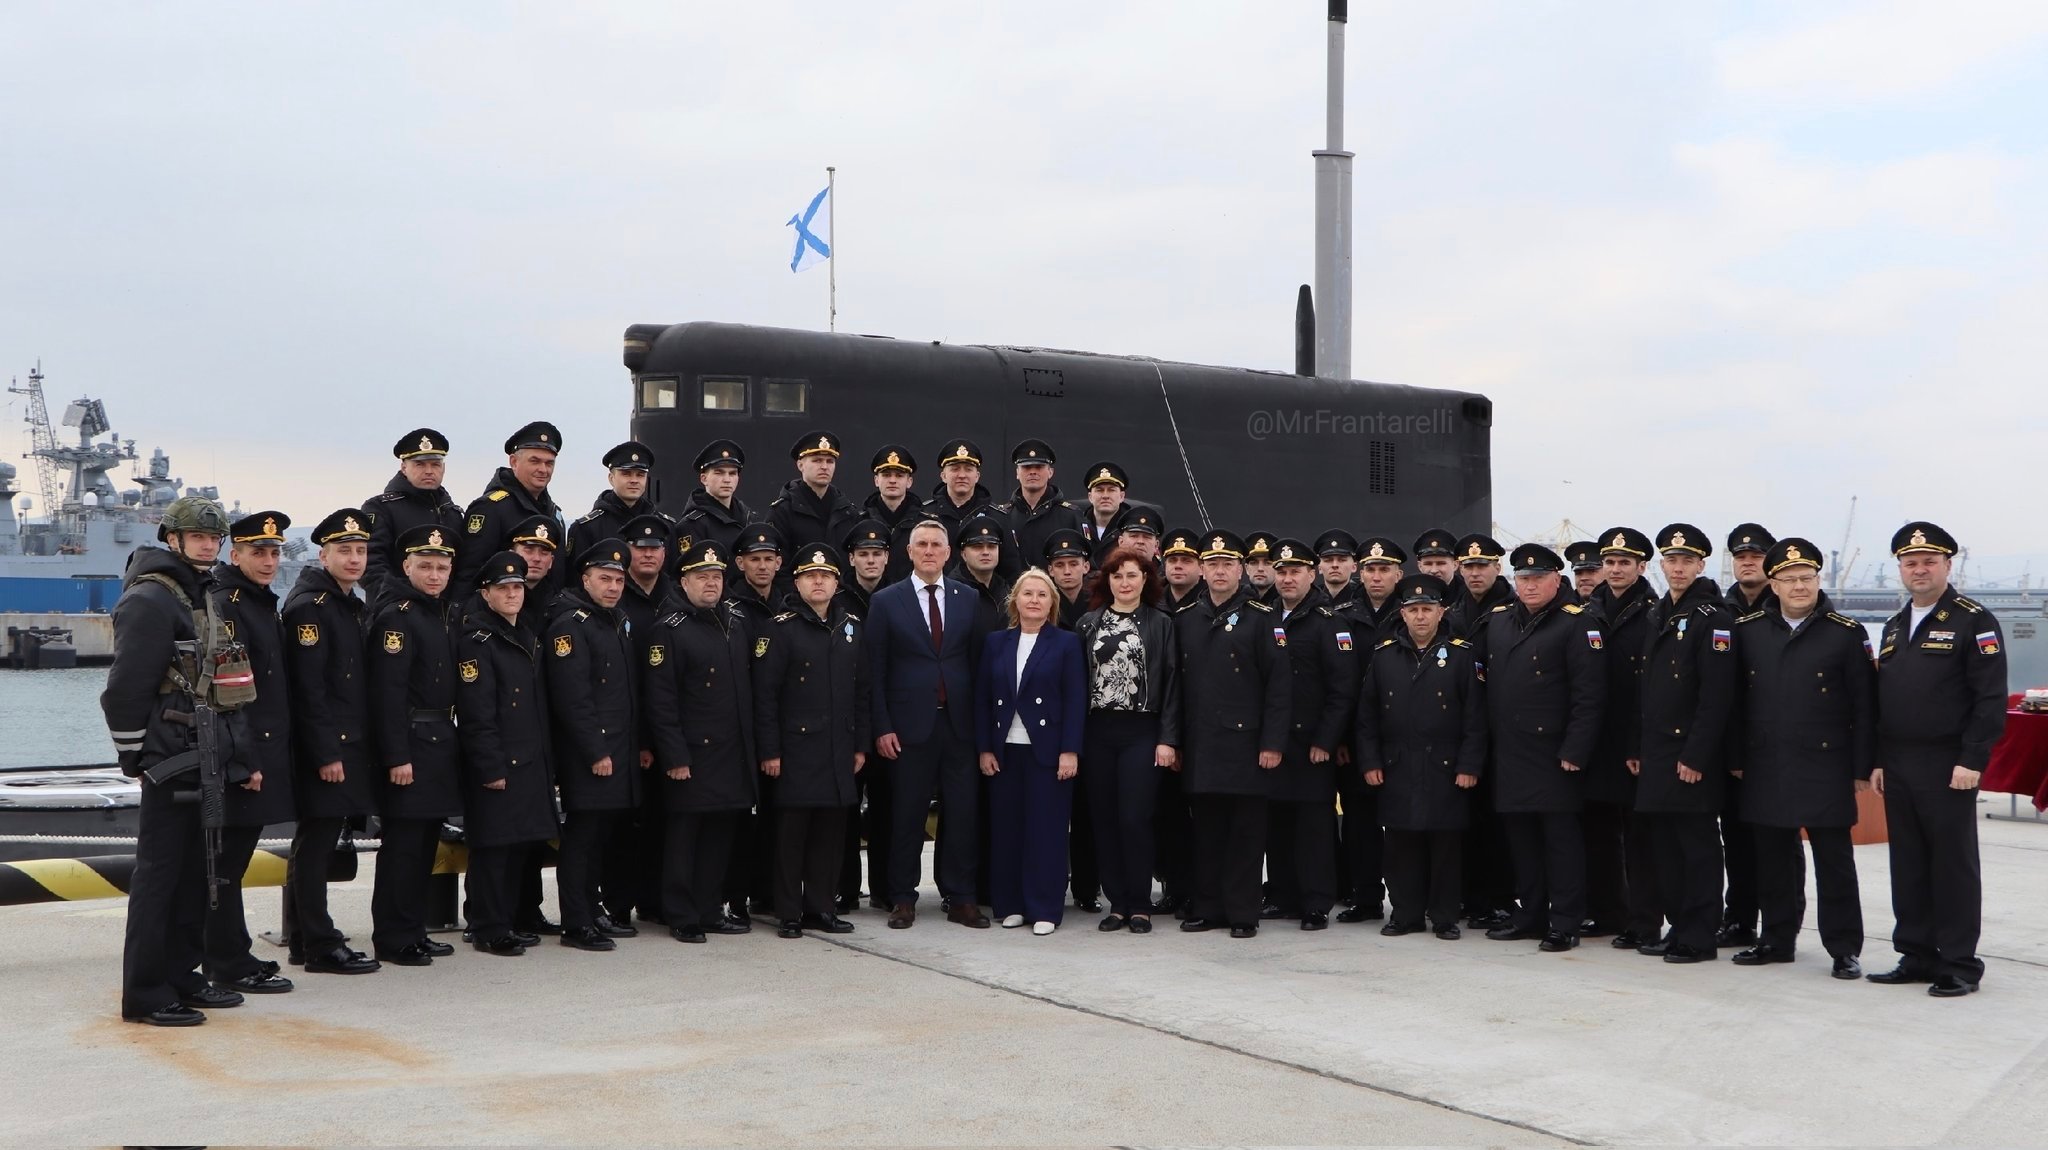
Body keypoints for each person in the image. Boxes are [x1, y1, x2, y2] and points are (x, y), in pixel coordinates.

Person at [105, 496, 248, 1025]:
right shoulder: (150, 599)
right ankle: (145, 992)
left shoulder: (204, 593)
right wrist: (134, 755)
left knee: (200, 871)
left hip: (206, 749)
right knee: (159, 878)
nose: (210, 545)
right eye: (199, 537)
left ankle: (185, 975)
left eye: (215, 537)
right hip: (171, 755)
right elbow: (124, 689)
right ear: (174, 539)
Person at [1868, 521, 2005, 997]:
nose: (1919, 569)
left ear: (1948, 565)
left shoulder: (1973, 620)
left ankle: (1959, 964)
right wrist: (1881, 757)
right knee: (1908, 862)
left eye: (1929, 561)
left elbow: (1989, 698)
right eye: (1910, 563)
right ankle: (1917, 954)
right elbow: (1887, 699)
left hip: (1949, 763)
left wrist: (1972, 759)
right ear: (1900, 570)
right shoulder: (1893, 625)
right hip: (1900, 761)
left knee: (1952, 863)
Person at [1728, 537, 1872, 980]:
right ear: (1772, 584)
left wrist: (1861, 769)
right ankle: (1776, 938)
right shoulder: (1748, 631)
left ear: (1817, 580)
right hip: (1766, 762)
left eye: (1806, 578)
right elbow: (1732, 702)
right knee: (1772, 859)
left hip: (1826, 765)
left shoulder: (1846, 633)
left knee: (1835, 862)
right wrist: (1735, 757)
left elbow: (1865, 707)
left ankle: (1844, 948)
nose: (1798, 587)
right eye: (1788, 579)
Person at [1474, 543, 1604, 953]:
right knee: (1521, 841)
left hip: (1554, 754)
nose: (1529, 586)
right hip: (1510, 752)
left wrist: (1575, 750)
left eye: (1537, 578)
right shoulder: (1498, 622)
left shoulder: (1577, 623)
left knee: (1560, 842)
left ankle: (1564, 921)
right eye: (1522, 579)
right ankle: (1529, 914)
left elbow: (1590, 696)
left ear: (1556, 580)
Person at [867, 518, 987, 928]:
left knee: (962, 813)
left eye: (938, 544)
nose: (930, 551)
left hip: (958, 726)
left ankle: (961, 897)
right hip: (907, 727)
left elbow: (976, 665)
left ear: (949, 552)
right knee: (907, 814)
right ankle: (903, 897)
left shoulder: (968, 598)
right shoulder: (886, 601)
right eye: (923, 545)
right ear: (910, 552)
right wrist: (882, 727)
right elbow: (875, 671)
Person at [1356, 575, 1487, 940]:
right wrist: (1370, 762)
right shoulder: (1384, 656)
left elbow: (1476, 718)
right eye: (1413, 610)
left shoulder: (1462, 655)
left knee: (1445, 846)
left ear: (1441, 611)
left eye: (1427, 609)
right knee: (1401, 846)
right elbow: (1366, 718)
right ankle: (1405, 913)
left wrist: (1468, 766)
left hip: (1446, 767)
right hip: (1397, 764)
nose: (1421, 617)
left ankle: (1444, 916)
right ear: (1402, 613)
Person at [282, 509, 382, 975]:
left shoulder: (348, 603)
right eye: (344, 550)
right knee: (316, 844)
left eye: (361, 550)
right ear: (323, 554)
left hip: (346, 745)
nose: (355, 558)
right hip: (328, 749)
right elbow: (310, 689)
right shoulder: (310, 607)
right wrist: (327, 754)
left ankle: (305, 941)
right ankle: (320, 942)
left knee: (316, 843)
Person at [1177, 531, 1290, 938]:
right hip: (1203, 745)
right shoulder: (1187, 619)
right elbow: (1177, 689)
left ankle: (1243, 913)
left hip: (1247, 747)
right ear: (1202, 570)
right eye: (1213, 564)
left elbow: (1279, 687)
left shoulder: (1262, 618)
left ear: (1240, 569)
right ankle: (1209, 908)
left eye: (1228, 564)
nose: (1220, 571)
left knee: (1245, 836)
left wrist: (1273, 744)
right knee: (1207, 834)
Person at [645, 540, 760, 943]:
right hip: (691, 756)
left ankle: (710, 909)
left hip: (732, 753)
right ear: (684, 581)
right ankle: (681, 914)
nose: (710, 584)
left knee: (719, 837)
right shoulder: (670, 628)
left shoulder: (735, 620)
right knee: (684, 839)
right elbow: (661, 702)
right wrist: (674, 756)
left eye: (716, 576)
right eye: (701, 577)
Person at [753, 544, 870, 937]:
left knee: (830, 836)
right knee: (791, 837)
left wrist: (860, 745)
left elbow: (862, 691)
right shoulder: (780, 628)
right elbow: (764, 696)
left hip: (838, 748)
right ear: (798, 582)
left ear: (837, 583)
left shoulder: (851, 625)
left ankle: (821, 907)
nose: (818, 582)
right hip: (795, 751)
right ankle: (789, 912)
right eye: (810, 576)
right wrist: (769, 751)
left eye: (826, 576)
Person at [1632, 524, 1736, 964]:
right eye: (1671, 561)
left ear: (1701, 565)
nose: (1677, 568)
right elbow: (1648, 691)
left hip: (1688, 757)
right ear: (1661, 565)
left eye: (1686, 561)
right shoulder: (1660, 612)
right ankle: (1679, 927)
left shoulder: (1715, 618)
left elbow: (1717, 696)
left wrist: (1696, 755)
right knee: (1666, 849)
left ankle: (1699, 933)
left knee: (1697, 849)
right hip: (1657, 755)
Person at [206, 511, 297, 996]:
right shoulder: (229, 605)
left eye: (274, 552)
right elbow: (230, 692)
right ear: (234, 554)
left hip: (261, 754)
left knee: (231, 865)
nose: (268, 561)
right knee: (224, 866)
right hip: (243, 760)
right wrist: (244, 762)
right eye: (257, 552)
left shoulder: (261, 603)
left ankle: (230, 951)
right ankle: (225, 961)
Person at [365, 523, 464, 967]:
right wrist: (397, 757)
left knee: (425, 844)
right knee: (403, 848)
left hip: (439, 742)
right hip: (412, 744)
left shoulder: (438, 612)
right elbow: (387, 694)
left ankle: (413, 928)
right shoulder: (398, 617)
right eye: (425, 565)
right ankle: (392, 935)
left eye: (442, 567)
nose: (435, 574)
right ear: (407, 567)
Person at [454, 551, 560, 956]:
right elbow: (478, 712)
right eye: (504, 588)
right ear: (486, 593)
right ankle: (487, 926)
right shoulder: (478, 641)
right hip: (499, 763)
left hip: (529, 760)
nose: (513, 594)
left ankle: (510, 919)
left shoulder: (524, 633)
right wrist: (490, 765)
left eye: (517, 587)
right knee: (493, 849)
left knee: (518, 847)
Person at [1075, 547, 1181, 933]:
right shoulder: (1088, 624)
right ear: (1108, 581)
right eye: (1118, 576)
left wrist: (1167, 739)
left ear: (1145, 581)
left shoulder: (1161, 623)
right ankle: (1116, 903)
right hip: (1097, 731)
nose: (1124, 582)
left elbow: (1171, 684)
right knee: (1103, 819)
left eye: (1132, 575)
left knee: (1135, 818)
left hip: (1142, 731)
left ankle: (1140, 902)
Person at [544, 539, 643, 952]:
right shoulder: (571, 625)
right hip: (591, 755)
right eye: (605, 578)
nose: (614, 586)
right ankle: (576, 923)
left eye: (619, 579)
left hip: (619, 750)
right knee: (582, 840)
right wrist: (595, 752)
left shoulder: (614, 620)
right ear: (585, 579)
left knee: (601, 838)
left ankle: (591, 908)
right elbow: (573, 698)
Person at [976, 569, 1086, 934]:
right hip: (1006, 750)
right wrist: (985, 748)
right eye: (1028, 594)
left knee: (1047, 832)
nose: (1034, 600)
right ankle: (1011, 904)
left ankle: (1045, 908)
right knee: (1008, 830)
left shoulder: (1066, 643)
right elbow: (983, 700)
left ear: (1051, 603)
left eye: (1042, 594)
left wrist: (1070, 751)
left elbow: (1074, 700)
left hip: (1048, 753)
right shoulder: (996, 642)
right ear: (1016, 601)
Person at [1264, 538, 1356, 930]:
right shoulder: (1264, 616)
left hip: (1311, 744)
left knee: (1314, 827)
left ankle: (1316, 902)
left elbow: (1343, 689)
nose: (1286, 578)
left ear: (1311, 573)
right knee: (1277, 824)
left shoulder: (1328, 623)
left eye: (1294, 571)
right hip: (1274, 742)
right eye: (1281, 571)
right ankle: (1282, 895)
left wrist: (1326, 740)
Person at [1584, 527, 1660, 949]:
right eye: (1609, 562)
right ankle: (1607, 912)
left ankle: (1644, 920)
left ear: (1641, 567)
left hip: (1634, 741)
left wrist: (1640, 742)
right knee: (1597, 834)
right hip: (1594, 740)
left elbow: (1653, 686)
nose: (1614, 569)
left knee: (1640, 838)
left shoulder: (1653, 612)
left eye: (1624, 563)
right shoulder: (1587, 610)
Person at [614, 513, 680, 924]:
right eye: (640, 548)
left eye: (655, 548)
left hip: (669, 730)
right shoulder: (616, 599)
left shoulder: (675, 596)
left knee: (663, 822)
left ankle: (655, 900)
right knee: (624, 825)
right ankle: (619, 904)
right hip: (627, 727)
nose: (649, 554)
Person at [1716, 522, 1776, 947]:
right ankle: (1738, 919)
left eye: (1755, 556)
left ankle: (1779, 925)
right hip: (1731, 745)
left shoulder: (1787, 606)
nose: (1748, 562)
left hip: (1774, 744)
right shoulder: (1722, 610)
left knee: (1778, 842)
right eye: (1740, 557)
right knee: (1734, 837)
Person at [836, 519, 894, 910]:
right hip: (848, 720)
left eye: (877, 554)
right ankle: (846, 889)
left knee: (888, 810)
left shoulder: (898, 599)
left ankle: (886, 889)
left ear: (887, 558)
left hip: (888, 719)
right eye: (864, 554)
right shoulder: (837, 601)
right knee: (845, 813)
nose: (871, 560)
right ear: (852, 559)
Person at [1041, 527, 1100, 911]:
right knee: (1050, 811)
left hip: (1094, 720)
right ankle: (1050, 884)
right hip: (1052, 718)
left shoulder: (1099, 604)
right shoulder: (1041, 603)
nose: (1066, 572)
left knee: (1088, 813)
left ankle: (1086, 889)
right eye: (1059, 565)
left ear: (1086, 566)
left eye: (1073, 564)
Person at [455, 421, 565, 594]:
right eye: (535, 461)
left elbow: (558, 576)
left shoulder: (554, 514)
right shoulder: (490, 508)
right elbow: (469, 575)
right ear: (514, 461)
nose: (543, 469)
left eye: (549, 463)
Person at [364, 428, 461, 586]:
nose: (429, 471)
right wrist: (399, 603)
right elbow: (371, 566)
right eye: (420, 464)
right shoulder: (380, 508)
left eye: (435, 464)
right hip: (396, 606)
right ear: (404, 467)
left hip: (445, 608)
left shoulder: (452, 513)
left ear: (443, 468)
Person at [566, 440, 673, 570]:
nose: (634, 480)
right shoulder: (587, 528)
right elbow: (576, 581)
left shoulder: (666, 527)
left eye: (640, 475)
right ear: (611, 478)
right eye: (626, 474)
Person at [995, 439, 1085, 582]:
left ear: (1050, 472)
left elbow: (1087, 563)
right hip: (1012, 597)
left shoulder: (1070, 516)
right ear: (1017, 473)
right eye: (1026, 467)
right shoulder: (1002, 516)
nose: (1032, 472)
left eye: (1039, 467)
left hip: (1057, 599)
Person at [767, 430, 861, 555]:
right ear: (800, 465)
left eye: (830, 461)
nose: (824, 466)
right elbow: (776, 563)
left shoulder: (848, 512)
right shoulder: (782, 511)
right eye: (817, 460)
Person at [675, 439, 752, 574]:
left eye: (732, 473)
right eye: (719, 473)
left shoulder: (747, 518)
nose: (727, 479)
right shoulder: (692, 525)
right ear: (704, 478)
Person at [862, 445, 927, 585]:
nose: (892, 480)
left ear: (909, 481)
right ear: (876, 480)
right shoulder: (860, 523)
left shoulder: (925, 525)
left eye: (899, 475)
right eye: (886, 475)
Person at [925, 438, 999, 538]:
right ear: (943, 476)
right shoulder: (925, 515)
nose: (962, 475)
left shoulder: (996, 517)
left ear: (977, 476)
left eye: (968, 470)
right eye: (955, 469)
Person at [1445, 534, 1511, 640]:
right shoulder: (1452, 613)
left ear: (1497, 569)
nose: (1475, 573)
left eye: (1482, 566)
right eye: (1468, 567)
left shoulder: (1515, 612)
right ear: (1461, 570)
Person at [1314, 529, 1361, 607]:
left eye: (1342, 560)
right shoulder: (1309, 602)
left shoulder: (1365, 602)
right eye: (1328, 560)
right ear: (1319, 567)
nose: (1335, 565)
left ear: (1354, 566)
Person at [1160, 531, 1204, 613]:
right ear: (1165, 566)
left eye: (1186, 561)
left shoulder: (1212, 603)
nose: (1178, 566)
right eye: (1172, 560)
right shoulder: (1150, 602)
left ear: (1201, 569)